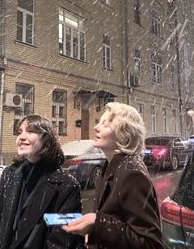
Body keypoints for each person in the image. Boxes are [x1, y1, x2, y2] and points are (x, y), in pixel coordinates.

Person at [63, 102, 164, 249]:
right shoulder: (113, 165)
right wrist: (93, 232)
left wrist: (97, 223)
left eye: (105, 124)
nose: (96, 127)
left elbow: (150, 243)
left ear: (124, 136)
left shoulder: (132, 173)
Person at [0, 115, 85, 249]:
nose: (22, 137)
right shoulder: (10, 175)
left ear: (47, 140)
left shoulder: (66, 185)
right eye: (19, 132)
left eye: (30, 131)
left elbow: (63, 241)